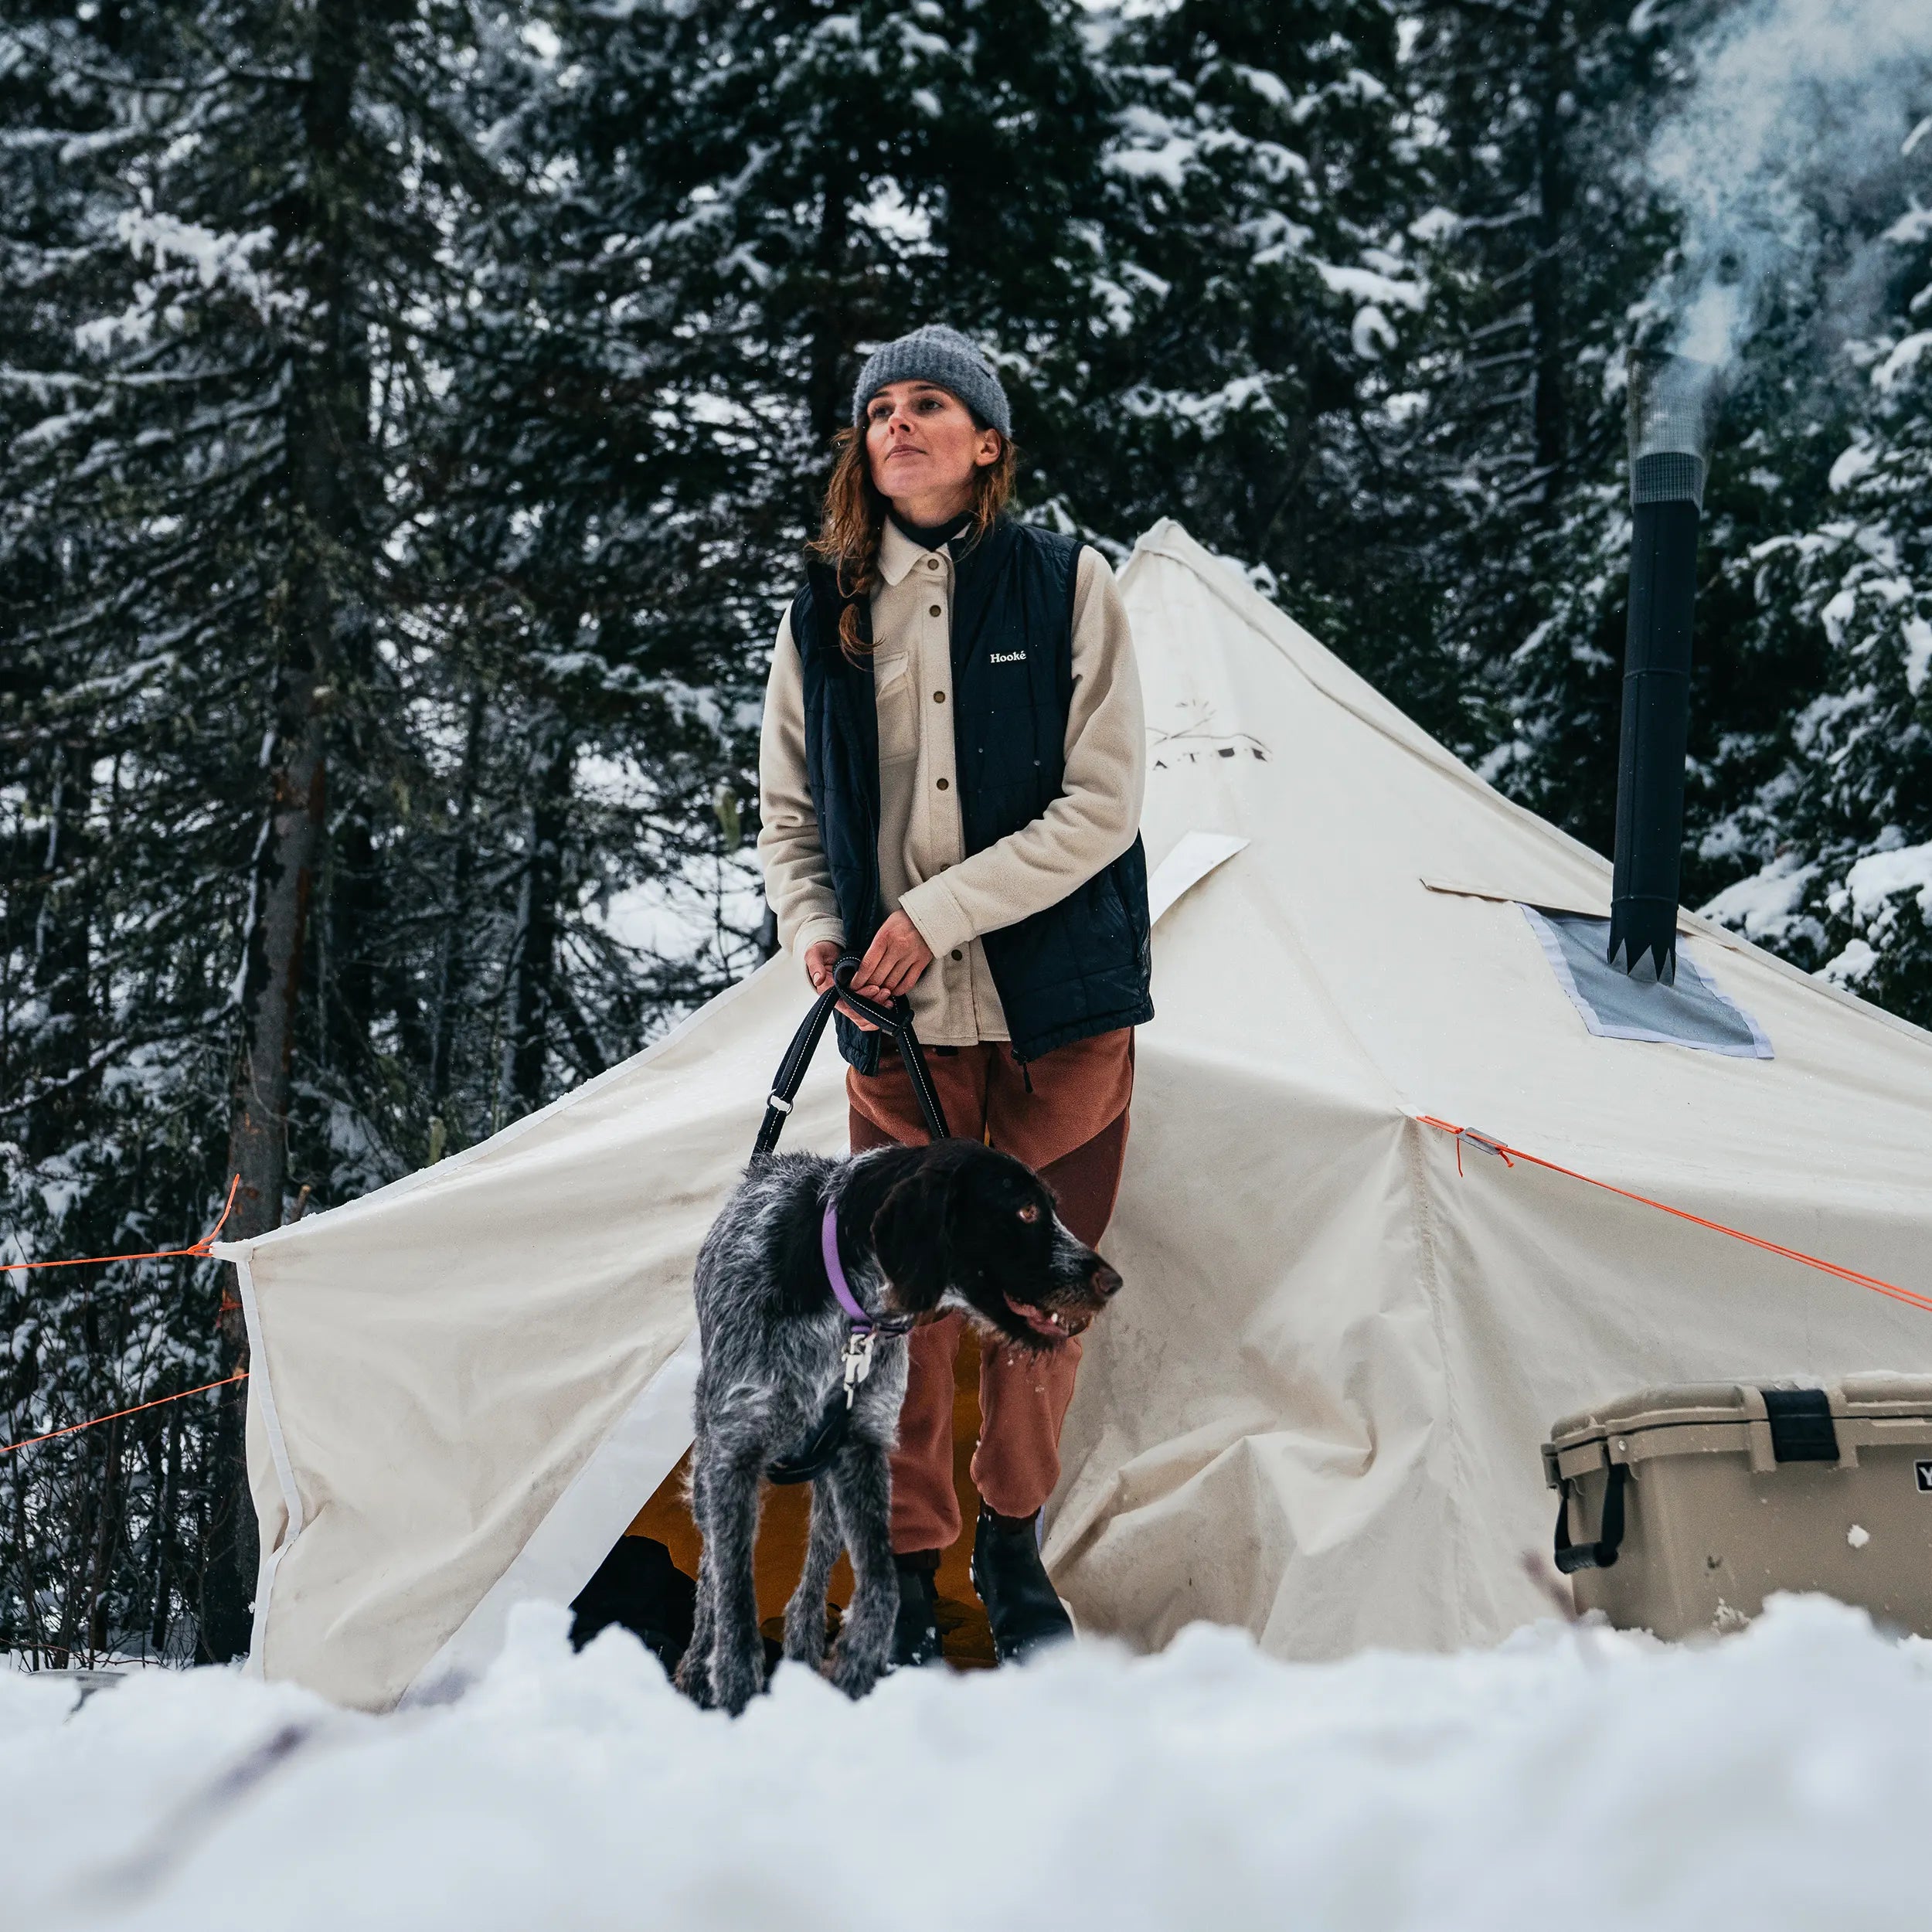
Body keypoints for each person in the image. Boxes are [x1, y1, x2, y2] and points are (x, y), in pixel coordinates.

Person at [757, 323, 1151, 1665]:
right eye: (881, 413)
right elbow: (790, 819)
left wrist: (935, 911)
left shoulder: (1068, 586)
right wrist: (820, 934)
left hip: (1063, 1031)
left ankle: (1014, 1540)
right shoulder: (822, 610)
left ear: (987, 445)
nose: (901, 427)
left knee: (1043, 1297)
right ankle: (910, 1568)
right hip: (898, 1038)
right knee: (900, 1305)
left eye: (932, 406)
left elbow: (1104, 807)